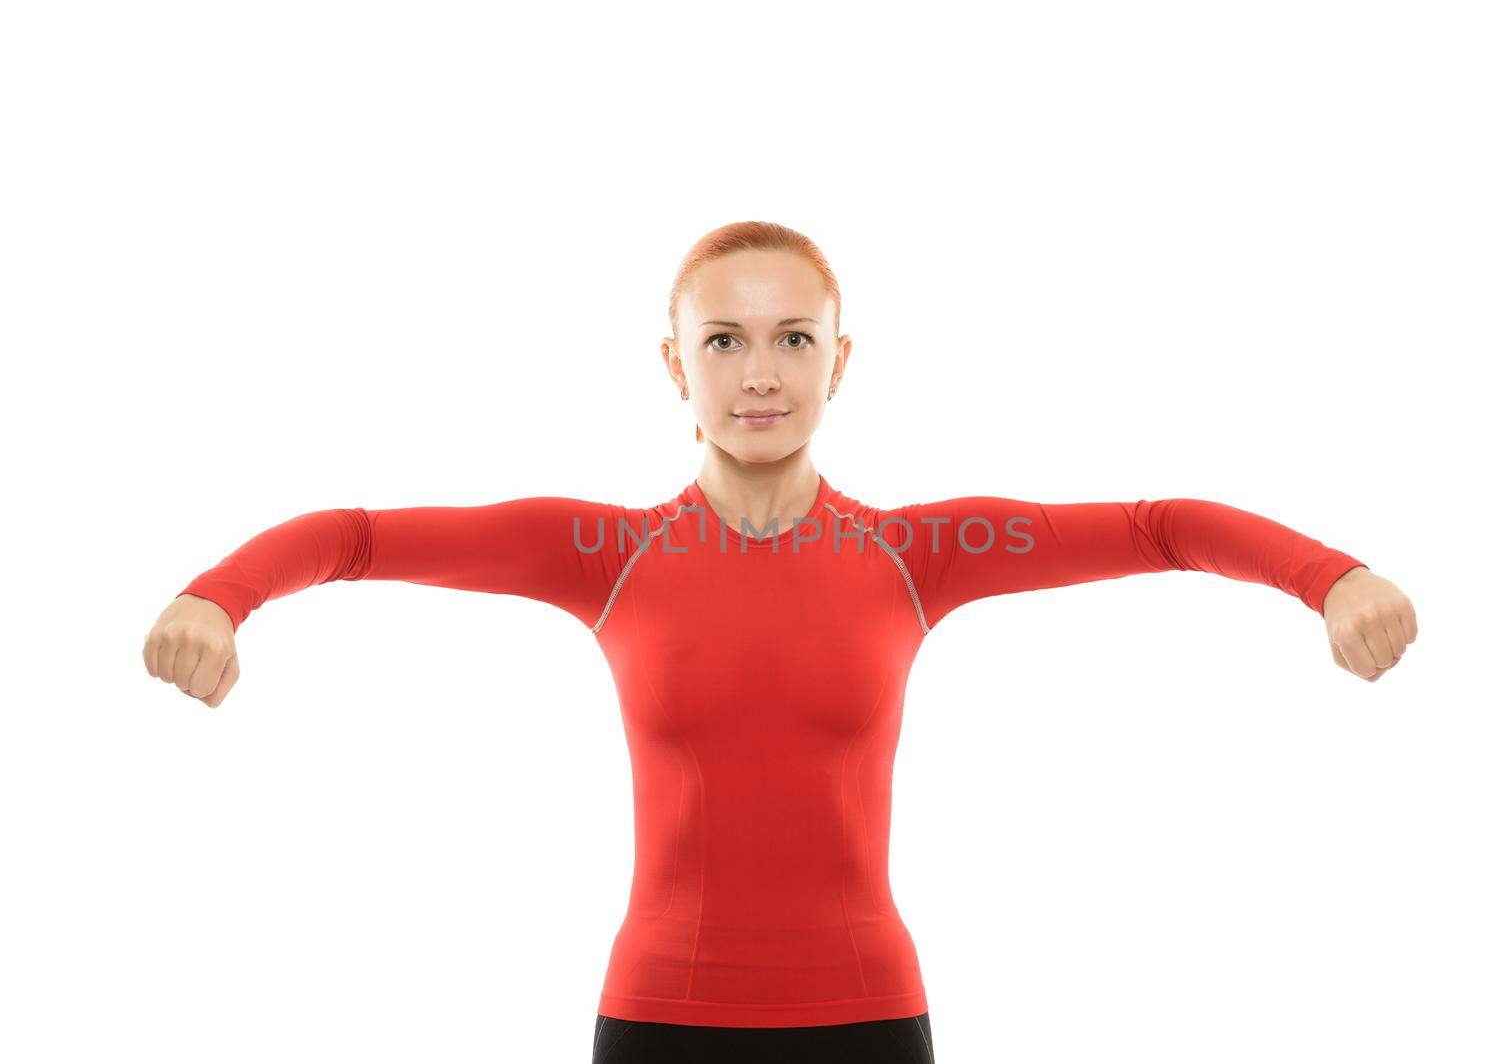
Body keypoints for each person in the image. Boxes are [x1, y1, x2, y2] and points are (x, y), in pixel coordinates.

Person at [143, 221, 1417, 1063]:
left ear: (839, 360)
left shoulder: (920, 556)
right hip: (658, 1020)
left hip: (868, 1018)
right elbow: (362, 536)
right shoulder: (605, 555)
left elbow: (1160, 526)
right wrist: (220, 594)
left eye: (793, 337)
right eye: (725, 340)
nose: (760, 372)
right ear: (674, 365)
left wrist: (1331, 577)